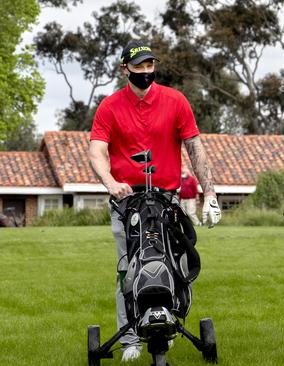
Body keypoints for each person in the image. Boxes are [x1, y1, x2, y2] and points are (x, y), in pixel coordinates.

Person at [88, 39, 222, 362]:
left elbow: (194, 147)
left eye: (150, 66)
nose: (146, 72)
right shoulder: (110, 107)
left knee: (174, 262)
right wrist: (110, 183)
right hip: (126, 200)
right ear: (125, 70)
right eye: (139, 67)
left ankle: (168, 322)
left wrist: (211, 193)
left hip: (167, 199)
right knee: (128, 267)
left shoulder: (175, 101)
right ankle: (131, 338)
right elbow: (96, 151)